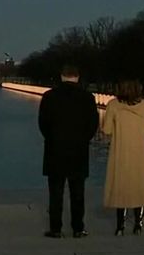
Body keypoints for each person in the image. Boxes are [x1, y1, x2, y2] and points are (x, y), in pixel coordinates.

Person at [38, 64, 100, 238]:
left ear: (62, 76)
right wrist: (83, 139)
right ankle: (78, 228)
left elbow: (42, 123)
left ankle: (56, 229)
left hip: (55, 149)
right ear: (77, 77)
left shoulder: (49, 96)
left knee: (55, 193)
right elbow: (93, 124)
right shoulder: (88, 98)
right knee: (78, 192)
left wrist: (51, 138)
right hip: (78, 150)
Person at [102, 80, 144, 236]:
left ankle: (120, 226)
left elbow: (106, 129)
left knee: (121, 185)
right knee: (139, 185)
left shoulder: (113, 105)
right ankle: (138, 224)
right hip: (139, 152)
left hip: (120, 150)